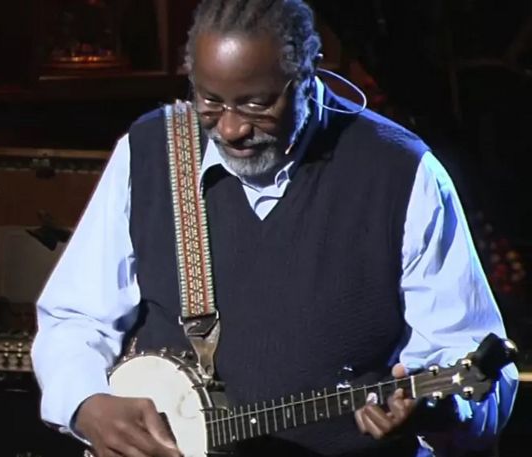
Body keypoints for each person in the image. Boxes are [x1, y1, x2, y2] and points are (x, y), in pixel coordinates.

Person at [31, 1, 519, 456]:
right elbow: (76, 318)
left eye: (255, 104)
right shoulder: (152, 150)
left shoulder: (401, 172)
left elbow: (472, 367)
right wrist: (85, 404)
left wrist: (441, 411)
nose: (229, 129)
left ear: (307, 75)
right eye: (209, 101)